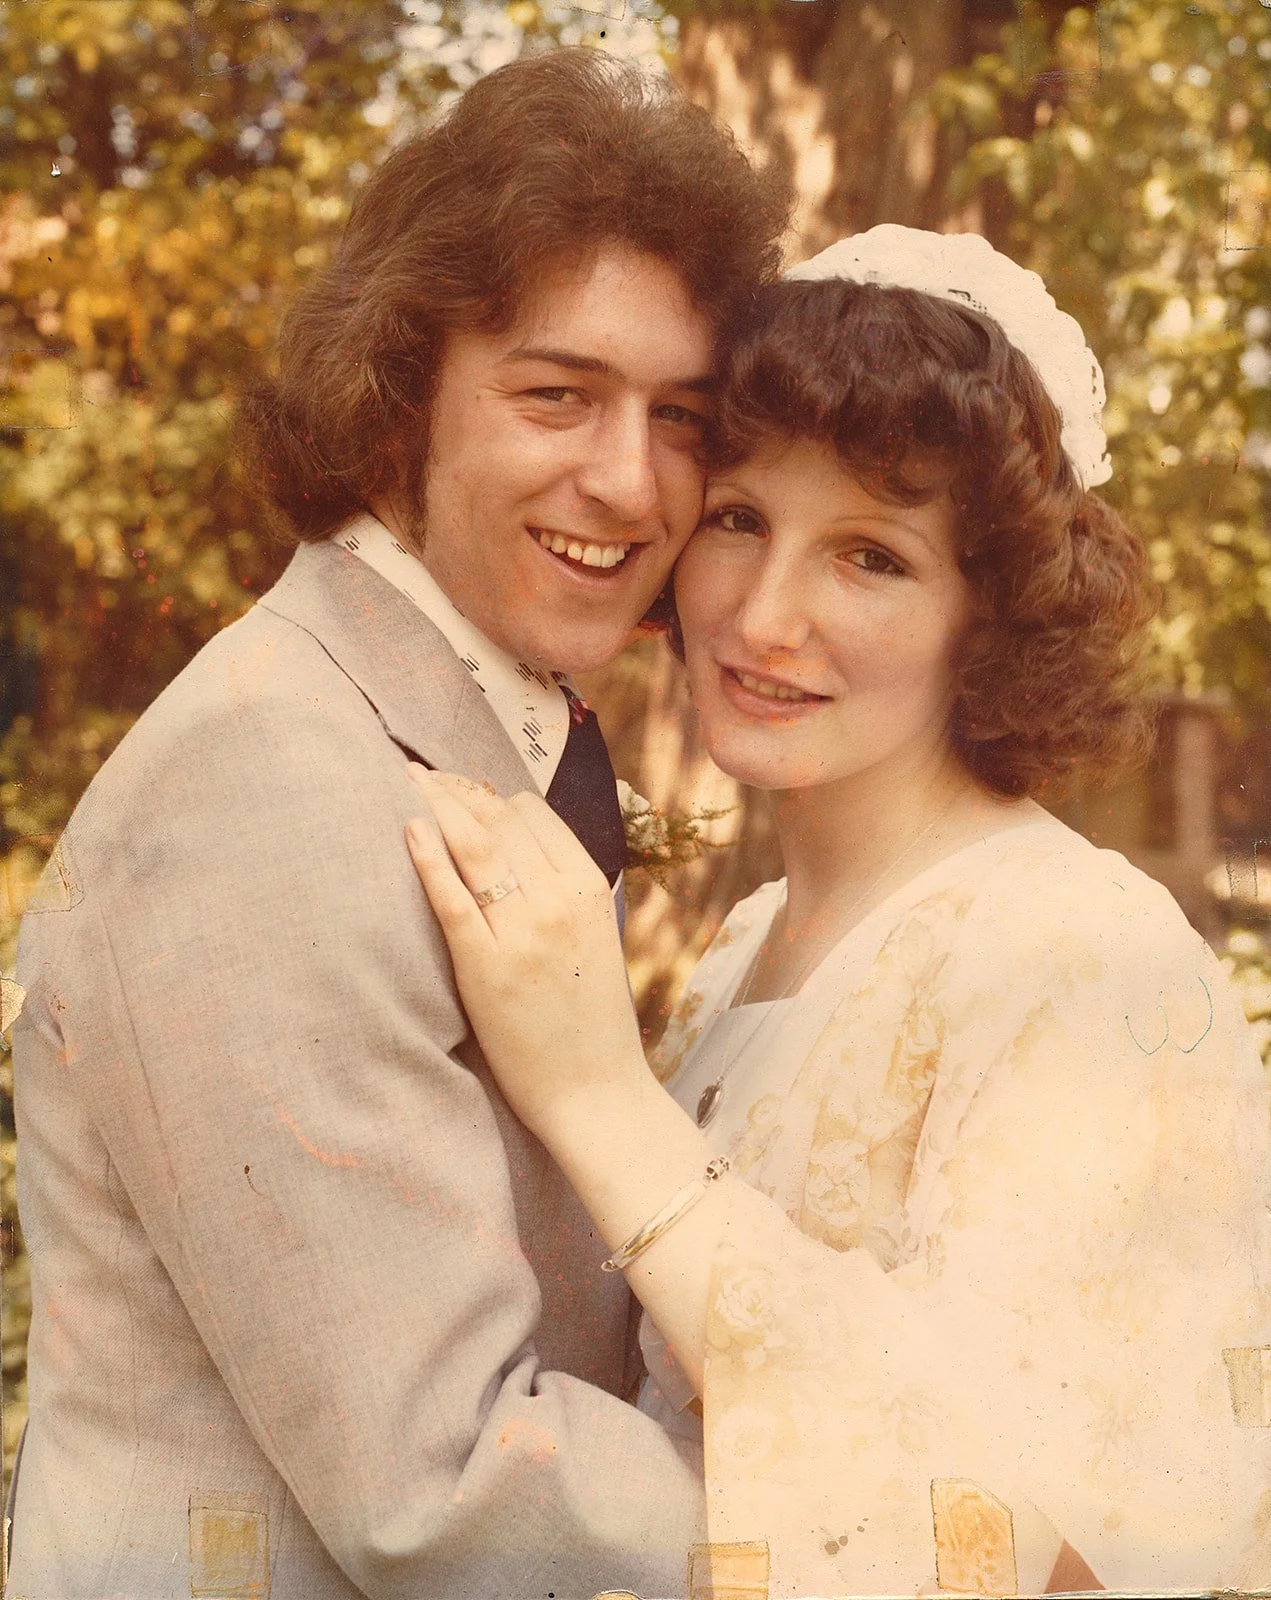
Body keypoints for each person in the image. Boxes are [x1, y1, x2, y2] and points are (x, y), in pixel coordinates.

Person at [8, 49, 789, 1600]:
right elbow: (443, 1490)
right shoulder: (270, 776)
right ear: (395, 399)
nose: (629, 482)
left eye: (683, 417)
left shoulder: (465, 723)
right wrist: (893, 1488)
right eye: (555, 393)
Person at [406, 226, 1271, 1598]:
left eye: (870, 557)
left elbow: (1045, 1549)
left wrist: (596, 1095)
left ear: (991, 616)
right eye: (740, 519)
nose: (761, 616)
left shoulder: (1090, 961)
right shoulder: (741, 946)